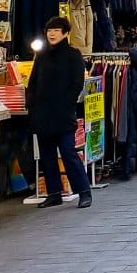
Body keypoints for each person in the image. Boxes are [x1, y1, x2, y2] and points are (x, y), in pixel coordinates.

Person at [24, 17, 91, 209]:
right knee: (47, 155)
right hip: (42, 114)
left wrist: (67, 103)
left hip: (63, 113)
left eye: (56, 30)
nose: (52, 34)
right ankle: (54, 193)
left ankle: (84, 191)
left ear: (65, 33)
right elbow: (33, 82)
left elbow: (77, 83)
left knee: (68, 152)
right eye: (49, 30)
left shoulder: (73, 54)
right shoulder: (42, 55)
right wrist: (32, 103)